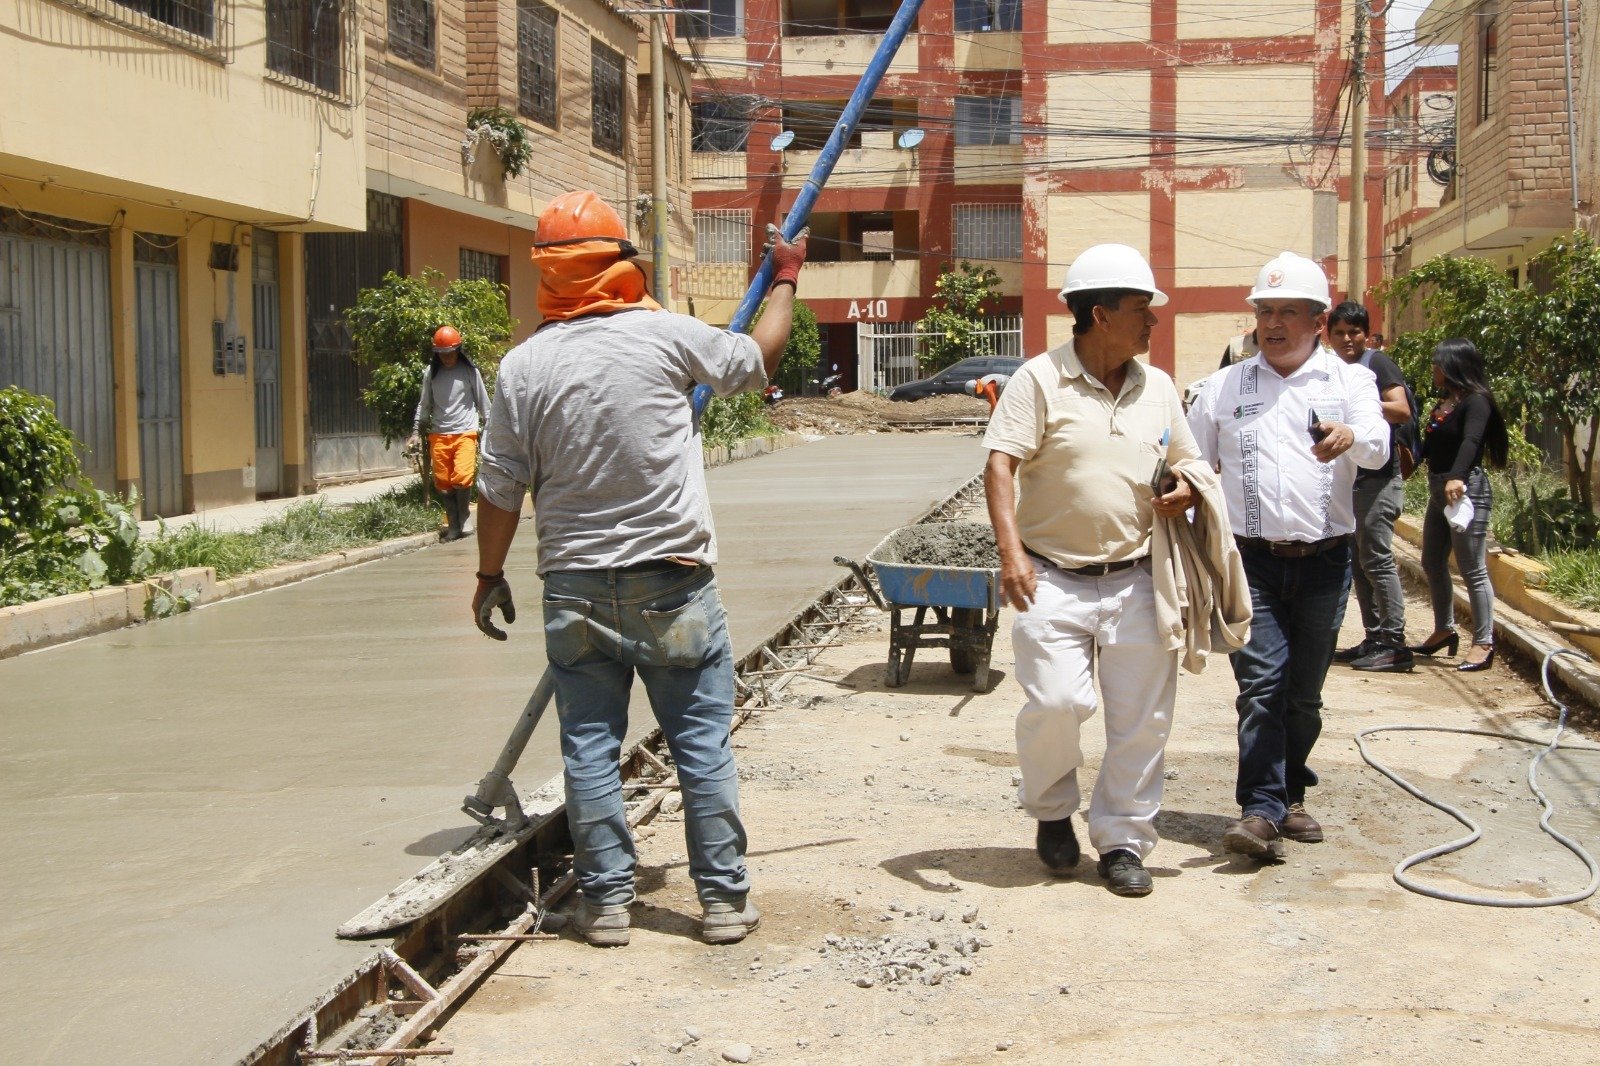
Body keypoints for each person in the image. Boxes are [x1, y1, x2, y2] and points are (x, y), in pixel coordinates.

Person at [471, 190, 808, 947]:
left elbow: (498, 488)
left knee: (589, 747)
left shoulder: (522, 368)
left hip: (575, 586)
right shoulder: (666, 338)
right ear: (620, 261)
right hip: (673, 581)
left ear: (547, 276)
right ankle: (722, 903)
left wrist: (488, 576)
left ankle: (609, 905)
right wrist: (785, 274)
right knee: (700, 743)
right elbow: (759, 359)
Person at [983, 244, 1203, 897]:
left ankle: (1123, 841)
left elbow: (1187, 461)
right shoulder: (1039, 379)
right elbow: (1000, 463)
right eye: (1143, 311)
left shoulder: (1157, 386)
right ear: (1101, 314)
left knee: (1142, 720)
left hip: (1138, 576)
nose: (1153, 323)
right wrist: (1010, 551)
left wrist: (1186, 488)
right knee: (1058, 701)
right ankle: (1053, 809)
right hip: (1051, 576)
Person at [1186, 252, 1388, 858]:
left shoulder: (1349, 382)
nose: (1271, 324)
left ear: (1318, 321)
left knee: (1303, 694)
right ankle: (1261, 809)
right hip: (1251, 564)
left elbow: (1378, 448)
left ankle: (1291, 793)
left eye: (1287, 313)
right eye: (1264, 311)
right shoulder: (1224, 387)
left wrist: (1353, 436)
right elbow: (1193, 469)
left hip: (1327, 561)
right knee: (1262, 684)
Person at [1325, 302, 1418, 673]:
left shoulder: (1375, 364)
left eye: (1355, 332)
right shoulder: (1332, 369)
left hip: (1378, 481)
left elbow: (1401, 410)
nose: (1348, 339)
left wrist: (1358, 403)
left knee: (1377, 560)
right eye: (1340, 333)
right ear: (1327, 335)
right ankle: (1374, 636)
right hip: (1351, 481)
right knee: (1361, 563)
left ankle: (1394, 644)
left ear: (1366, 334)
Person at [1411, 338, 1509, 672]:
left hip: (1465, 491)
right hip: (1440, 490)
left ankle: (1483, 643)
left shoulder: (1476, 402)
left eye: (1439, 363)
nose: (1435, 369)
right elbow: (1431, 445)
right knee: (1432, 560)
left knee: (1472, 568)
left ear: (1455, 365)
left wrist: (1457, 476)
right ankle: (1444, 629)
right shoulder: (1446, 402)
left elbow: (1471, 441)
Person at [409, 325, 491, 542]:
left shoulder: (469, 372)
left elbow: (483, 402)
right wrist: (416, 432)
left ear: (458, 350)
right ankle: (453, 525)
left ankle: (463, 518)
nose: (447, 358)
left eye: (451, 353)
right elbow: (424, 404)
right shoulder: (431, 374)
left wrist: (491, 426)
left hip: (465, 432)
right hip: (439, 434)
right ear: (437, 354)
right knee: (443, 482)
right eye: (442, 354)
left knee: (462, 478)